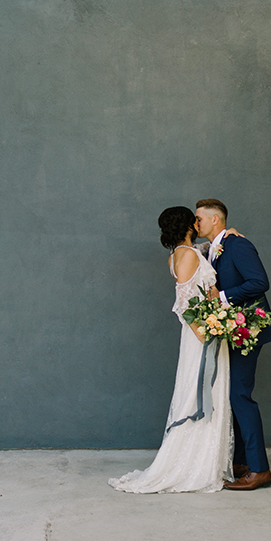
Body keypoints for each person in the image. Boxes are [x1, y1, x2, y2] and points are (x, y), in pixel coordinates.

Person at [109, 206, 233, 493]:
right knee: (200, 392)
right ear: (188, 223)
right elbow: (185, 304)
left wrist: (229, 235)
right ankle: (193, 465)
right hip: (202, 335)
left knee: (211, 393)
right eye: (195, 218)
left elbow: (205, 252)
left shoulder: (187, 252)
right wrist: (208, 335)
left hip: (209, 329)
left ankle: (208, 461)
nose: (197, 221)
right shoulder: (186, 255)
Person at [195, 198, 271, 491]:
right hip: (231, 332)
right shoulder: (213, 248)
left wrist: (221, 297)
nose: (196, 224)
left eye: (200, 219)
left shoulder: (238, 244)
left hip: (248, 331)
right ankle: (242, 463)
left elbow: (259, 282)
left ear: (216, 220)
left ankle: (260, 470)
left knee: (240, 396)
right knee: (232, 396)